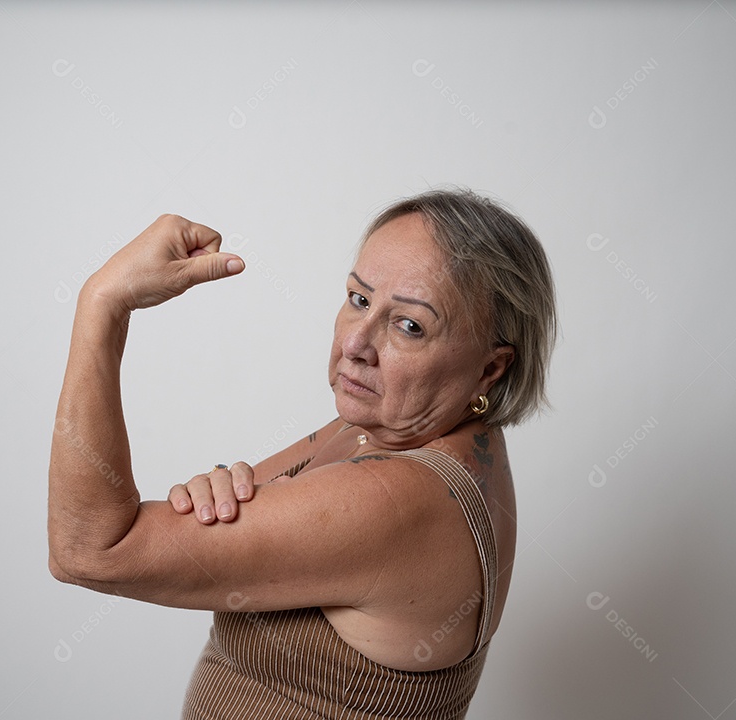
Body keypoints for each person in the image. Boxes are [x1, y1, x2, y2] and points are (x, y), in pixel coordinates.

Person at [47, 187, 557, 719]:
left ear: (491, 367)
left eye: (410, 326)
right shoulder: (400, 427)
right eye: (360, 299)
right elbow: (217, 515)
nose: (356, 344)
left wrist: (103, 303)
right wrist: (223, 488)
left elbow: (91, 549)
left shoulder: (398, 497)